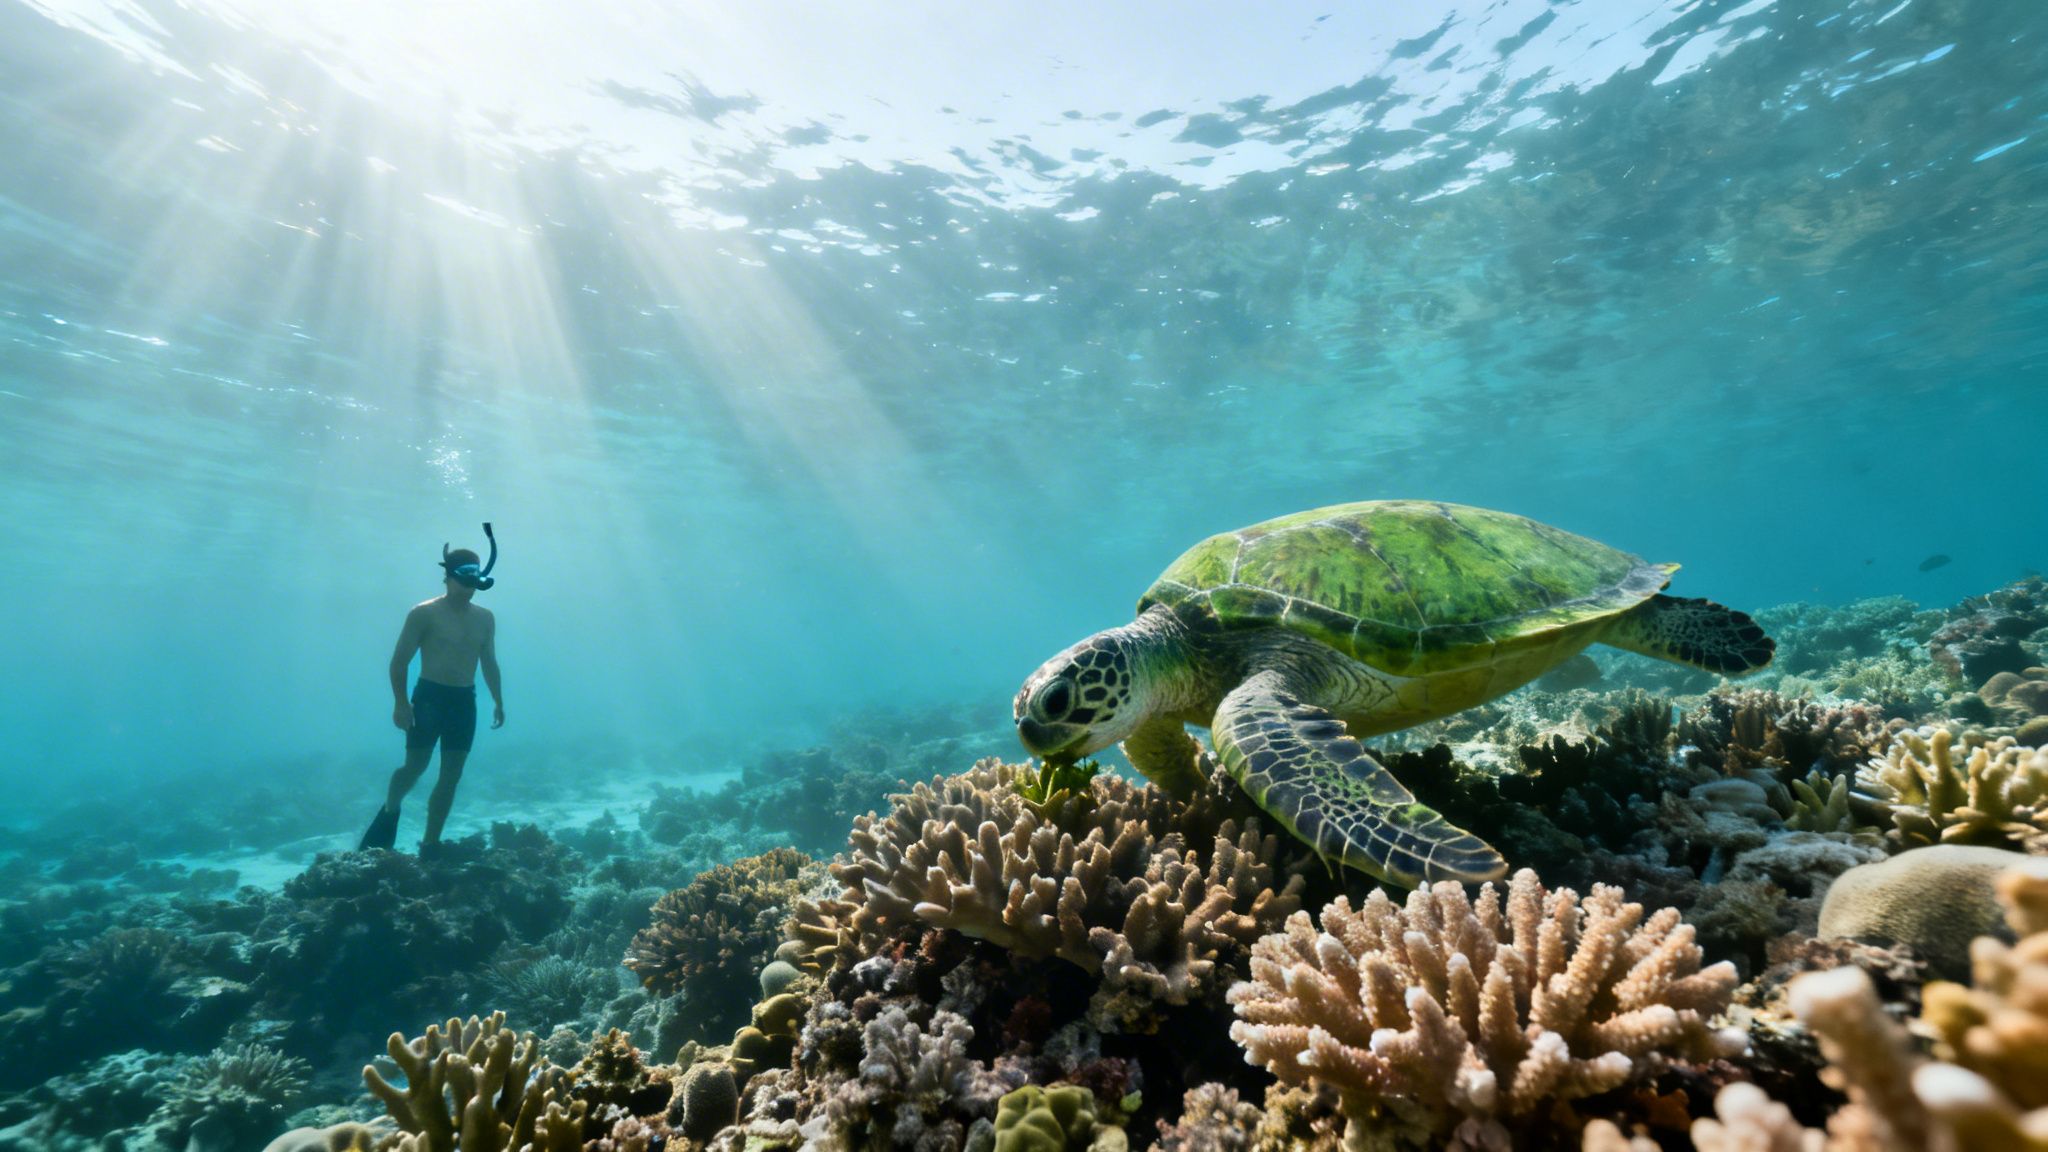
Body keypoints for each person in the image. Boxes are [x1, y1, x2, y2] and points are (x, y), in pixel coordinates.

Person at [359, 524, 504, 856]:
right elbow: (399, 662)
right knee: (416, 766)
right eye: (465, 574)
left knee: (451, 775)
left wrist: (498, 699)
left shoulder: (485, 618)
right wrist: (400, 703)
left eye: (476, 573)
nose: (471, 581)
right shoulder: (424, 613)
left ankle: (431, 843)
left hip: (463, 701)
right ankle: (391, 811)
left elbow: (489, 662)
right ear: (449, 576)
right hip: (429, 699)